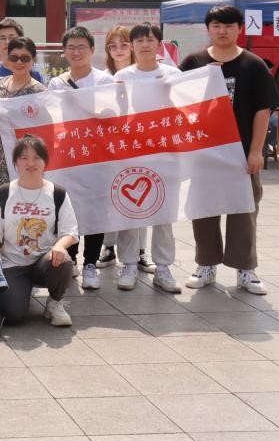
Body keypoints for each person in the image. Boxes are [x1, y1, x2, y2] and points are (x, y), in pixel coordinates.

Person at [180, 4, 279, 296]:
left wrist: (256, 151)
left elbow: (263, 110)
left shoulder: (254, 65)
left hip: (241, 154)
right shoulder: (194, 62)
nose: (222, 31)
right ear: (208, 29)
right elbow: (175, 102)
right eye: (216, 26)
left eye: (228, 26)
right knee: (203, 210)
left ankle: (245, 269)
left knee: (244, 210)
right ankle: (205, 265)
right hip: (204, 154)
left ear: (239, 29)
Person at [113, 22, 182, 294]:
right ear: (132, 45)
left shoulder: (172, 74)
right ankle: (129, 264)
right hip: (132, 150)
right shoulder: (122, 76)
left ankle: (163, 267)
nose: (144, 45)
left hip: (164, 149)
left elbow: (184, 108)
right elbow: (118, 113)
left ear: (159, 44)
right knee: (130, 209)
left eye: (150, 40)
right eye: (139, 40)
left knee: (165, 211)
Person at [48, 26, 115, 290]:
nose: (76, 52)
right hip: (69, 154)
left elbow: (112, 114)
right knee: (70, 207)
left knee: (96, 208)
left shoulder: (105, 80)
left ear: (92, 50)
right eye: (71, 47)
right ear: (64, 52)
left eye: (81, 47)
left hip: (98, 154)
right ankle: (72, 259)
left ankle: (90, 264)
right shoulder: (57, 83)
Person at [0, 135, 79, 327]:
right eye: (24, 158)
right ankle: (19, 291)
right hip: (13, 264)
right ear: (15, 162)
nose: (30, 163)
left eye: (36, 158)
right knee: (13, 316)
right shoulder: (4, 193)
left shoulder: (57, 193)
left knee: (63, 260)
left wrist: (59, 247)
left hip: (44, 261)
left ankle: (55, 303)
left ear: (45, 162)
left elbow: (70, 232)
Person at [0, 37, 46, 198]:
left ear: (33, 60)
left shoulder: (40, 92)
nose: (19, 62)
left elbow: (45, 132)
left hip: (24, 163)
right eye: (14, 57)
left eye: (25, 58)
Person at [95, 24, 135, 270]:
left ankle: (139, 251)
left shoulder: (143, 74)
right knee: (110, 197)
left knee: (140, 198)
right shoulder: (103, 78)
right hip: (110, 146)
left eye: (124, 44)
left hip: (139, 143)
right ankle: (108, 247)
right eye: (113, 46)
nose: (119, 50)